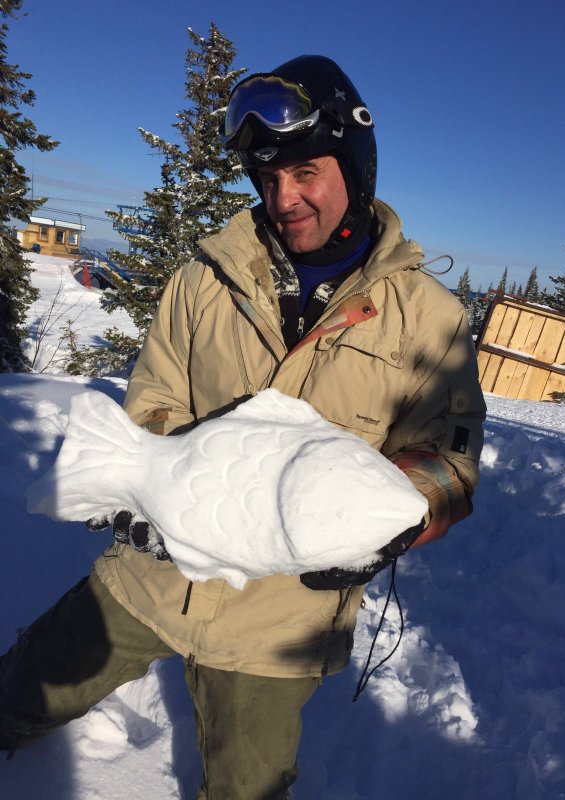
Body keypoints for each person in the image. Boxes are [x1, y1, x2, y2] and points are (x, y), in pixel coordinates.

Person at [0, 55, 486, 798]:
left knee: (247, 787)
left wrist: (395, 519)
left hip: (281, 624)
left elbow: (450, 462)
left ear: (356, 167)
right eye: (267, 179)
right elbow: (154, 396)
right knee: (25, 687)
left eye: (305, 173)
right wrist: (151, 491)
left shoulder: (430, 319)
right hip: (152, 576)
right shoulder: (206, 279)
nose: (283, 197)